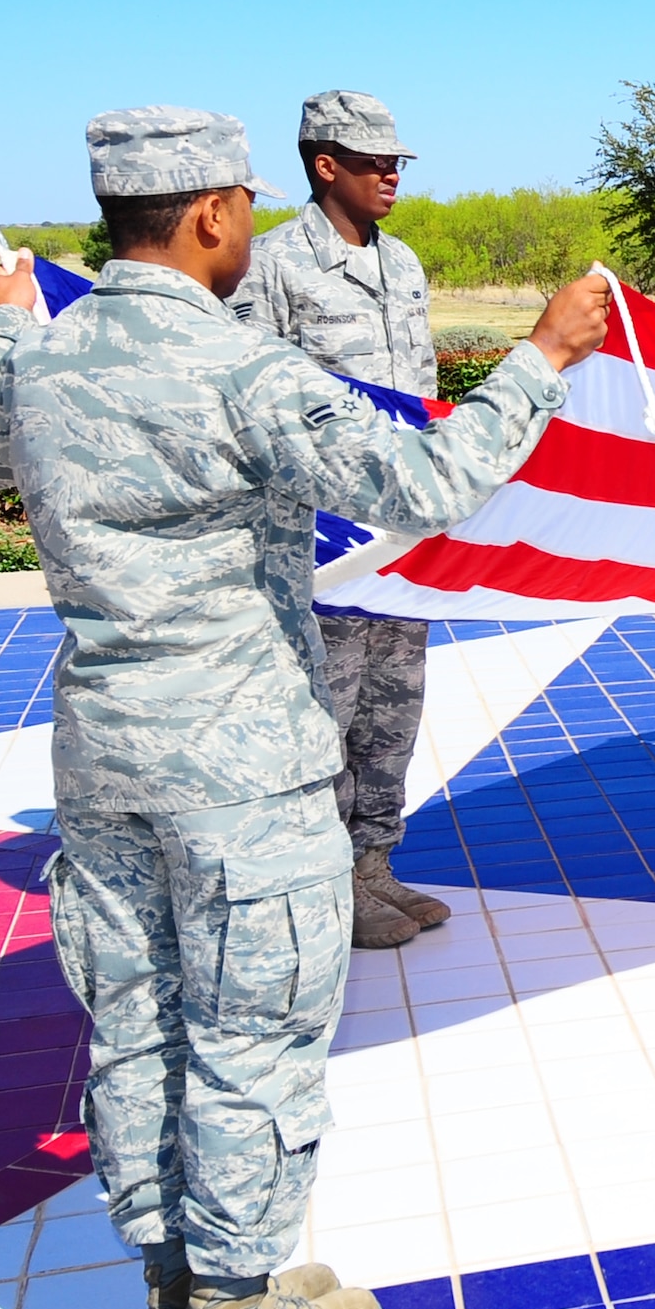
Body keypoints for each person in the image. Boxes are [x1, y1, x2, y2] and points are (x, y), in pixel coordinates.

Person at [0, 106, 609, 1309]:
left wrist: (6, 313)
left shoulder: (45, 362)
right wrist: (542, 356)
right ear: (213, 219)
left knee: (140, 1029)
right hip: (241, 772)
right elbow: (421, 481)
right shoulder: (246, 371)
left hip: (106, 762)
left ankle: (179, 1292)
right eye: (237, 206)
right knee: (251, 1039)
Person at [227, 91, 446, 952]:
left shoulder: (406, 266)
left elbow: (418, 401)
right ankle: (324, 888)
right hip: (323, 541)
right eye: (373, 162)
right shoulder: (275, 267)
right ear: (325, 166)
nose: (391, 175)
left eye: (397, 162)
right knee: (326, 714)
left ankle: (374, 867)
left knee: (393, 711)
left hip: (400, 536)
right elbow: (253, 403)